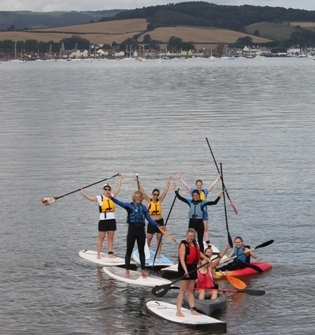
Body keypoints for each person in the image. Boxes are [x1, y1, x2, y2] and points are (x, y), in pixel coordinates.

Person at [107, 190, 162, 278]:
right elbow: (119, 203)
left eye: (139, 198)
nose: (138, 199)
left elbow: (150, 219)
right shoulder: (129, 206)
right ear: (134, 198)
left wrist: (158, 226)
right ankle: (127, 270)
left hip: (141, 232)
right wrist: (112, 198)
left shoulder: (144, 208)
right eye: (136, 197)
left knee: (142, 252)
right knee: (129, 251)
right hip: (132, 231)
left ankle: (143, 270)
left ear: (141, 199)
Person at [79, 173, 122, 259]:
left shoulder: (112, 196)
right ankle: (98, 254)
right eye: (105, 189)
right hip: (103, 221)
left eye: (109, 189)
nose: (107, 190)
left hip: (112, 220)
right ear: (103, 190)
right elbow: (90, 198)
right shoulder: (99, 198)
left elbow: (118, 188)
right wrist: (82, 192)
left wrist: (120, 178)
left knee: (111, 238)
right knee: (101, 238)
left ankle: (110, 253)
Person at [173, 182, 225, 254]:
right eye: (194, 195)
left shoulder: (202, 202)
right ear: (192, 196)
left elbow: (214, 202)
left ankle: (201, 254)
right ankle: (191, 252)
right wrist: (175, 189)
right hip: (191, 223)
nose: (195, 196)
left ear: (199, 195)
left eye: (196, 195)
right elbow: (179, 197)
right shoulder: (189, 201)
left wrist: (221, 193)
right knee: (191, 239)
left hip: (200, 223)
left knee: (200, 240)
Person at [176, 172, 221, 245]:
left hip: (204, 213)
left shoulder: (205, 191)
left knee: (205, 229)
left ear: (202, 185)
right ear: (196, 186)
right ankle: (194, 242)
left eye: (200, 185)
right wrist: (180, 178)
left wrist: (218, 178)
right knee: (195, 230)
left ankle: (208, 243)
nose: (199, 186)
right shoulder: (193, 192)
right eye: (198, 185)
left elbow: (212, 185)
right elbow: (186, 185)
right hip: (196, 214)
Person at [137, 176, 172, 257]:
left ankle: (158, 254)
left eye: (157, 194)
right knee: (149, 238)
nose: (156, 195)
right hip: (152, 221)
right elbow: (142, 191)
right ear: (152, 194)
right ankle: (146, 252)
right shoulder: (148, 200)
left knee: (159, 238)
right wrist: (138, 182)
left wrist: (168, 183)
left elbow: (165, 192)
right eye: (154, 194)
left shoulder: (160, 200)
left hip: (160, 221)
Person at [176, 228, 208, 317]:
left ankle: (193, 309)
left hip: (193, 267)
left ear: (194, 237)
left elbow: (198, 252)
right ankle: (178, 310)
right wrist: (185, 271)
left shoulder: (195, 244)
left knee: (190, 290)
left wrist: (206, 258)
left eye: (192, 236)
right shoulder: (183, 244)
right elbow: (182, 259)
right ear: (186, 236)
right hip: (184, 268)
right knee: (182, 290)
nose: (190, 238)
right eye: (189, 236)